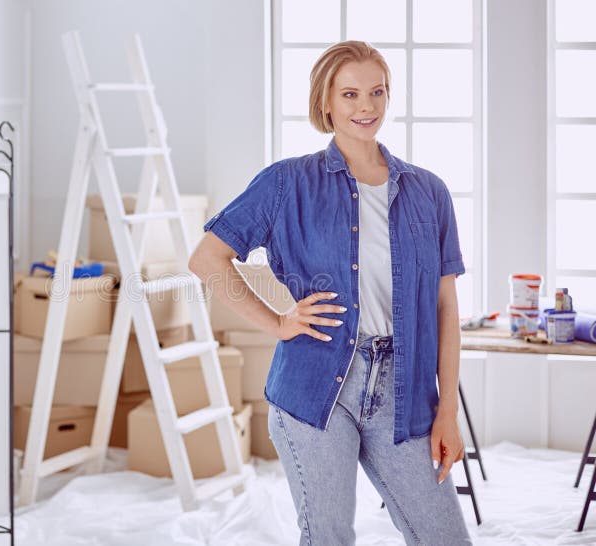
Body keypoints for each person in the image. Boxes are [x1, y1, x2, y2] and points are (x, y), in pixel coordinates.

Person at [188, 40, 472, 545]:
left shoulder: (429, 192)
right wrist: (278, 321)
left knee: (444, 537)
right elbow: (207, 258)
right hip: (314, 387)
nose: (366, 107)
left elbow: (446, 307)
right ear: (326, 102)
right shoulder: (286, 183)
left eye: (377, 92)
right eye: (350, 94)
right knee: (329, 536)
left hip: (403, 393)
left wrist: (446, 411)